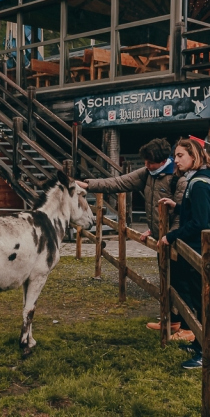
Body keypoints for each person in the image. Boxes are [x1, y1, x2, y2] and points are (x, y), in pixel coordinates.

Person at [76, 138, 187, 332]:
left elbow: (180, 213)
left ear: (162, 161)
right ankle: (171, 320)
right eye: (145, 162)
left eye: (150, 162)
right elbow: (119, 182)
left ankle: (184, 325)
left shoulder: (178, 179)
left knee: (179, 282)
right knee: (165, 278)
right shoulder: (148, 174)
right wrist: (87, 185)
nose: (146, 165)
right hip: (161, 238)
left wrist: (170, 236)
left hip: (174, 239)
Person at [158, 137, 210, 367]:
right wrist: (179, 207)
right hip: (199, 249)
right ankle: (199, 343)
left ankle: (206, 352)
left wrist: (171, 236)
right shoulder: (201, 179)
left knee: (202, 301)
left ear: (194, 156)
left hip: (200, 251)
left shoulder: (200, 184)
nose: (175, 160)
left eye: (180, 155)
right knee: (198, 300)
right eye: (175, 156)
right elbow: (199, 211)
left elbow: (200, 222)